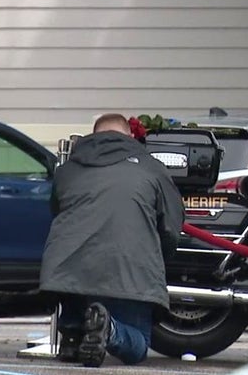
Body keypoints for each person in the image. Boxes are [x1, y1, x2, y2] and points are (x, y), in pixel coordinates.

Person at [39, 113, 185, 367]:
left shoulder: (68, 170)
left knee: (75, 281)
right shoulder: (152, 168)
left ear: (93, 136)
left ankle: (73, 333)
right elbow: (172, 226)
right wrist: (158, 257)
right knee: (137, 344)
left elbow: (56, 210)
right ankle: (109, 331)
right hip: (129, 265)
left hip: (68, 270)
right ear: (130, 136)